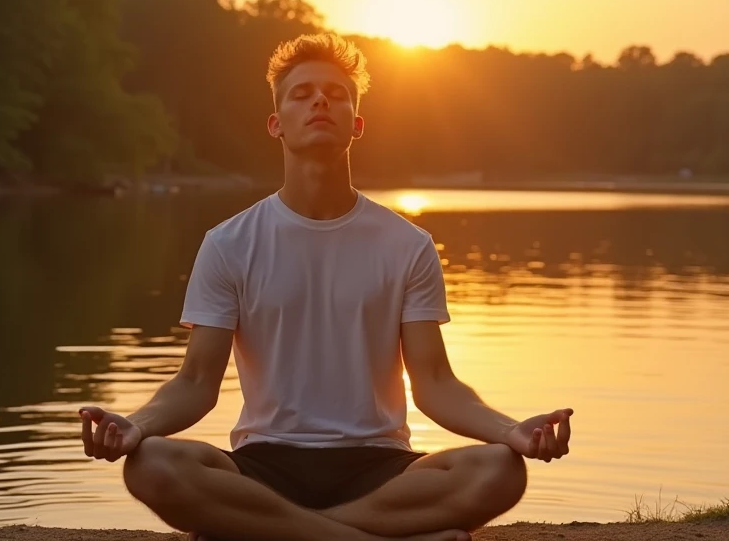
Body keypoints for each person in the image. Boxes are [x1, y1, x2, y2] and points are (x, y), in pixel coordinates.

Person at [78, 33, 574, 541]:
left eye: (337, 94)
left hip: (380, 467)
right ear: (276, 125)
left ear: (356, 125)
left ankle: (261, 533)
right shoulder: (229, 243)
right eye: (301, 93)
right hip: (262, 466)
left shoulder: (407, 244)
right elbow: (196, 383)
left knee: (500, 469)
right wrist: (135, 426)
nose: (320, 100)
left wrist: (510, 431)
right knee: (151, 464)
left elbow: (435, 383)